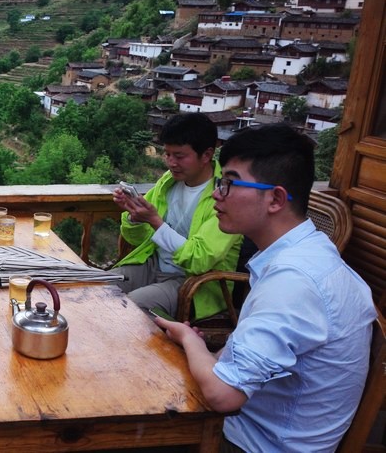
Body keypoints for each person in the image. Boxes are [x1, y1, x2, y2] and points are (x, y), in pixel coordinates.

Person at [154, 123, 376, 452]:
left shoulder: (293, 281)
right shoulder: (310, 252)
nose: (217, 193)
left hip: (252, 442)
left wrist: (189, 340)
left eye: (229, 183)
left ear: (275, 199)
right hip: (251, 427)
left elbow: (222, 395)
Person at [111, 112, 242, 319]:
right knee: (98, 285)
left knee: (133, 307)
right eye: (167, 154)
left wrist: (155, 221)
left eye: (179, 156)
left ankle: (165, 346)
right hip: (153, 264)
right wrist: (134, 217)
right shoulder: (169, 181)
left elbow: (200, 261)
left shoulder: (225, 197)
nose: (171, 162)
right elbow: (136, 239)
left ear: (207, 155)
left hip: (193, 282)